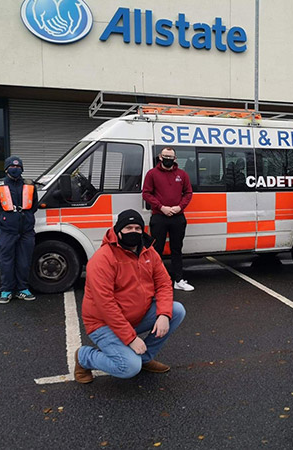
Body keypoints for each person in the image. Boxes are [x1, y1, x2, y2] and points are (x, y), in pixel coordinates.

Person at [74, 209, 186, 384]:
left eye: (137, 228)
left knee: (176, 310)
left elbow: (164, 283)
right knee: (129, 367)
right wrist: (131, 339)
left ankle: (145, 358)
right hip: (103, 323)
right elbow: (106, 305)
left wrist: (164, 314)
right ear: (118, 231)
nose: (133, 232)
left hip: (134, 317)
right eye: (128, 228)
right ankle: (84, 356)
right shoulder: (102, 259)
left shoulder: (149, 252)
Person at [0, 156, 38, 304]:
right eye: (12, 167)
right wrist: (4, 219)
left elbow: (34, 205)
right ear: (6, 169)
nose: (15, 169)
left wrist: (25, 218)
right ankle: (6, 290)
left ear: (22, 169)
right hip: (6, 230)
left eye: (18, 167)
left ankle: (23, 289)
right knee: (6, 262)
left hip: (26, 230)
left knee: (24, 261)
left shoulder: (29, 185)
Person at [142, 147, 194, 291]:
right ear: (160, 157)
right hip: (159, 216)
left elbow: (188, 193)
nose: (168, 159)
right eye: (166, 156)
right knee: (156, 250)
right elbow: (146, 193)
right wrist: (161, 207)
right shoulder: (152, 174)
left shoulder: (182, 174)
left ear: (175, 159)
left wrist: (180, 207)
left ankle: (178, 280)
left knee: (176, 249)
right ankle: (155, 281)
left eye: (171, 157)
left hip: (178, 217)